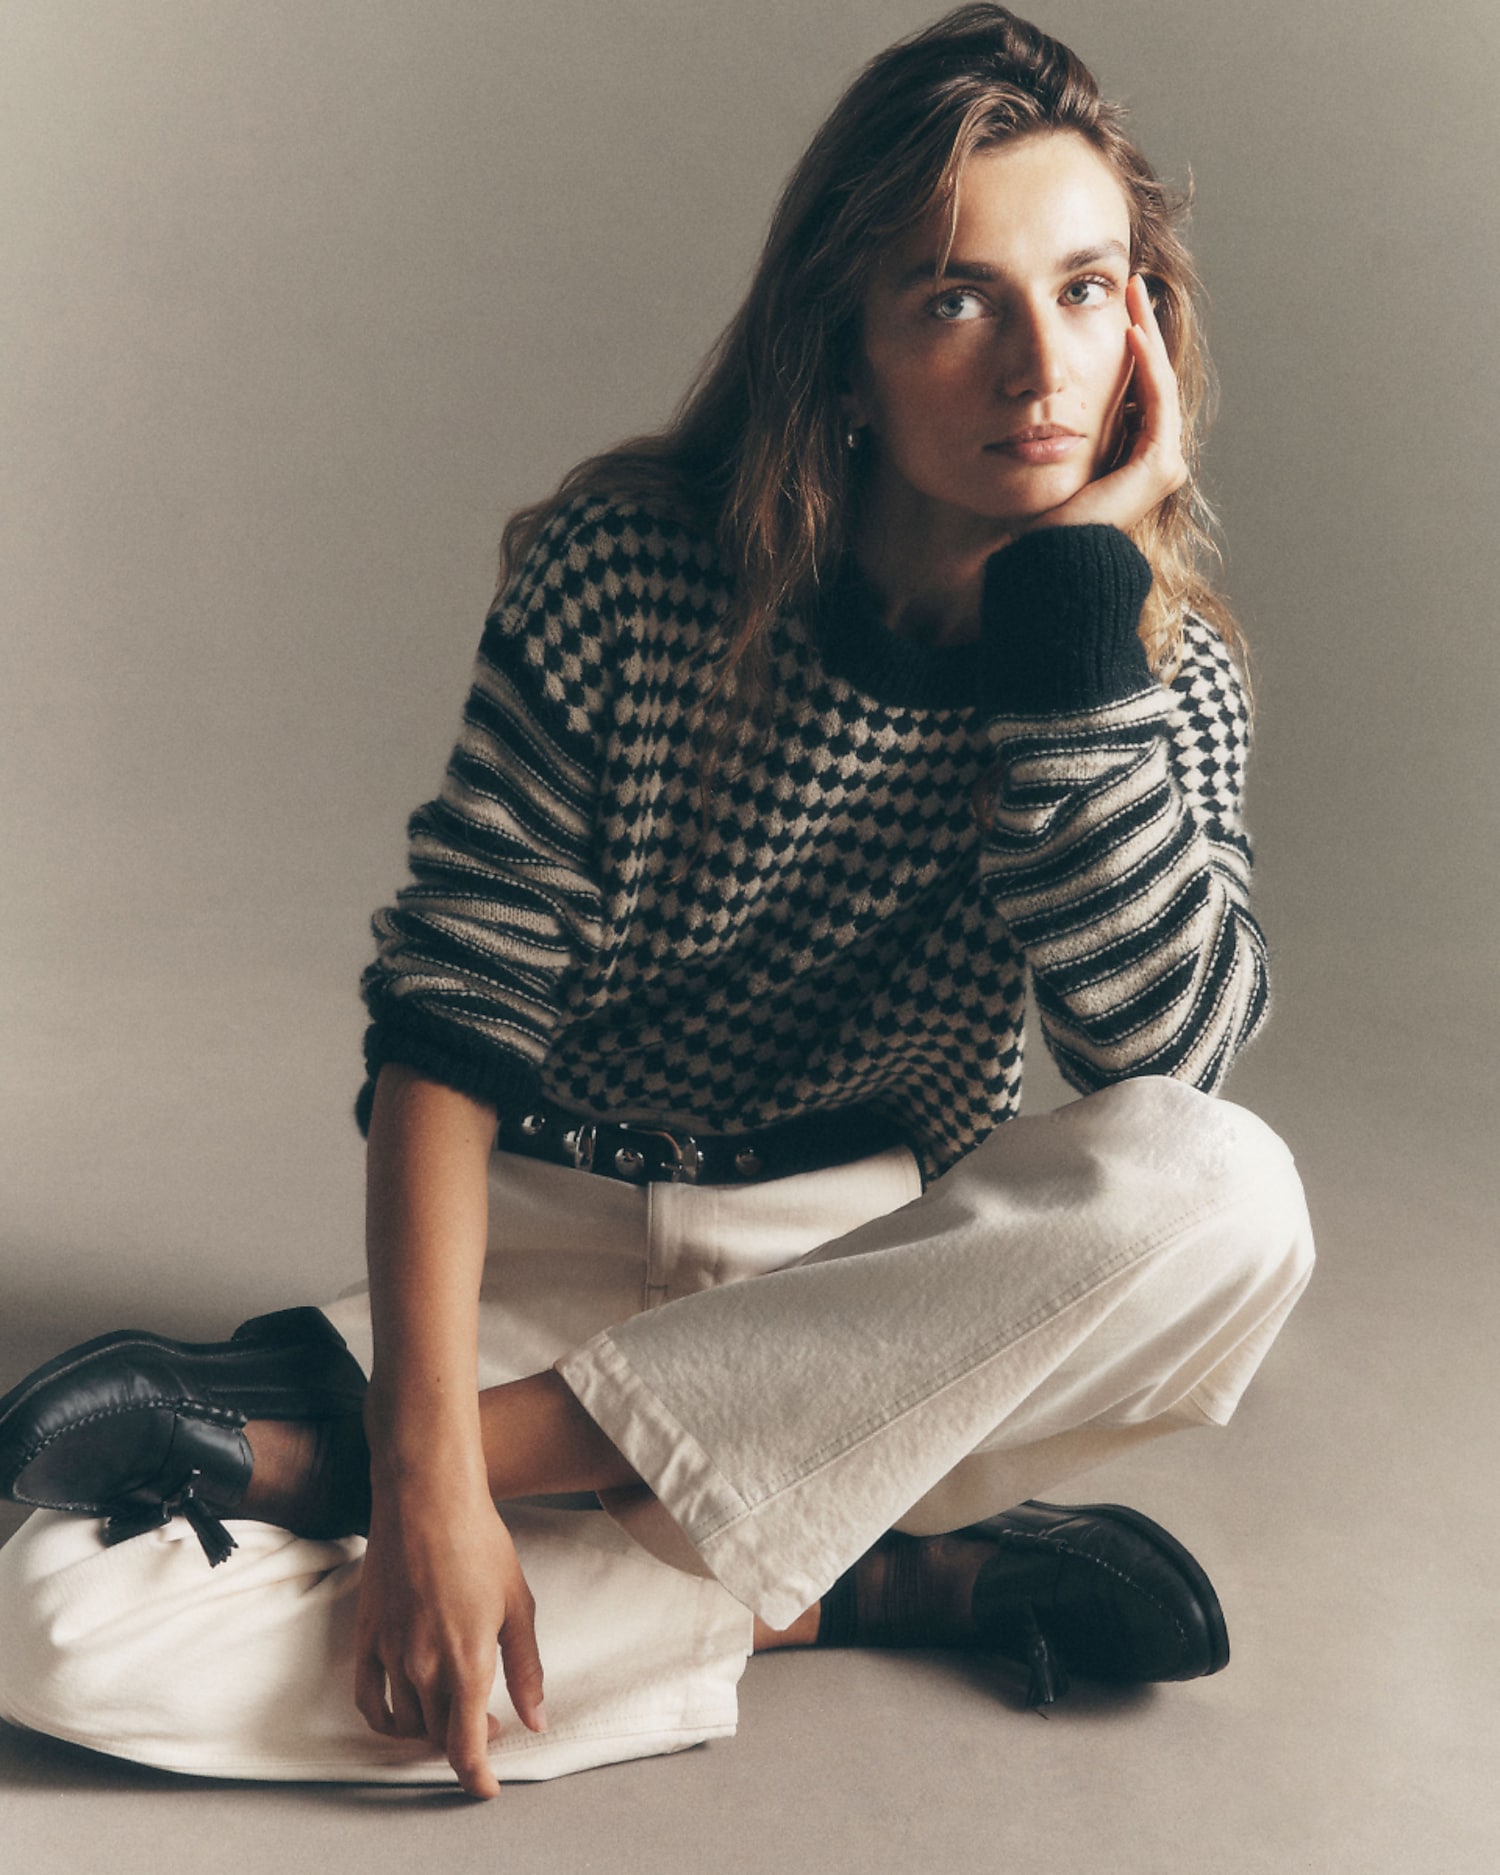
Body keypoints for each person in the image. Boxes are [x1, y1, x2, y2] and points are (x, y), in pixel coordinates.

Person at [0, 4, 1313, 1798]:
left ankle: (356, 1461)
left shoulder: (1156, 673)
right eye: (956, 300)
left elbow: (1154, 1061)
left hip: (848, 1304)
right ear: (843, 351)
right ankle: (852, 1588)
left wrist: (1073, 634)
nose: (1038, 370)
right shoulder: (631, 578)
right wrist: (441, 1500)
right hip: (561, 1238)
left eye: (1087, 292)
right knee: (54, 1624)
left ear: (1148, 326)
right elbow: (446, 1031)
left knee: (1234, 1190)